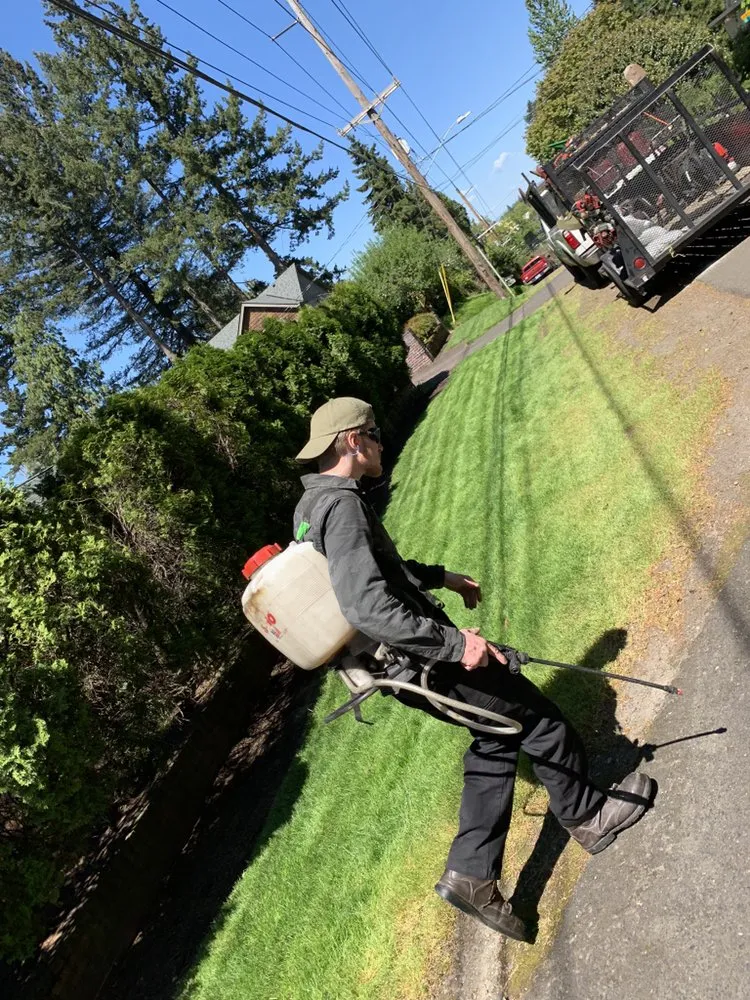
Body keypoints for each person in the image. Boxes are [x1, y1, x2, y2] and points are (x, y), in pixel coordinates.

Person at [293, 396, 654, 941]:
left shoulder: (312, 507)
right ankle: (587, 816)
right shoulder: (341, 506)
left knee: (494, 736)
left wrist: (444, 577)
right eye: (376, 433)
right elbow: (366, 605)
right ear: (353, 440)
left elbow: (382, 572)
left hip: (397, 665)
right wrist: (454, 643)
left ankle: (471, 875)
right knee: (538, 720)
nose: (382, 442)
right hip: (420, 658)